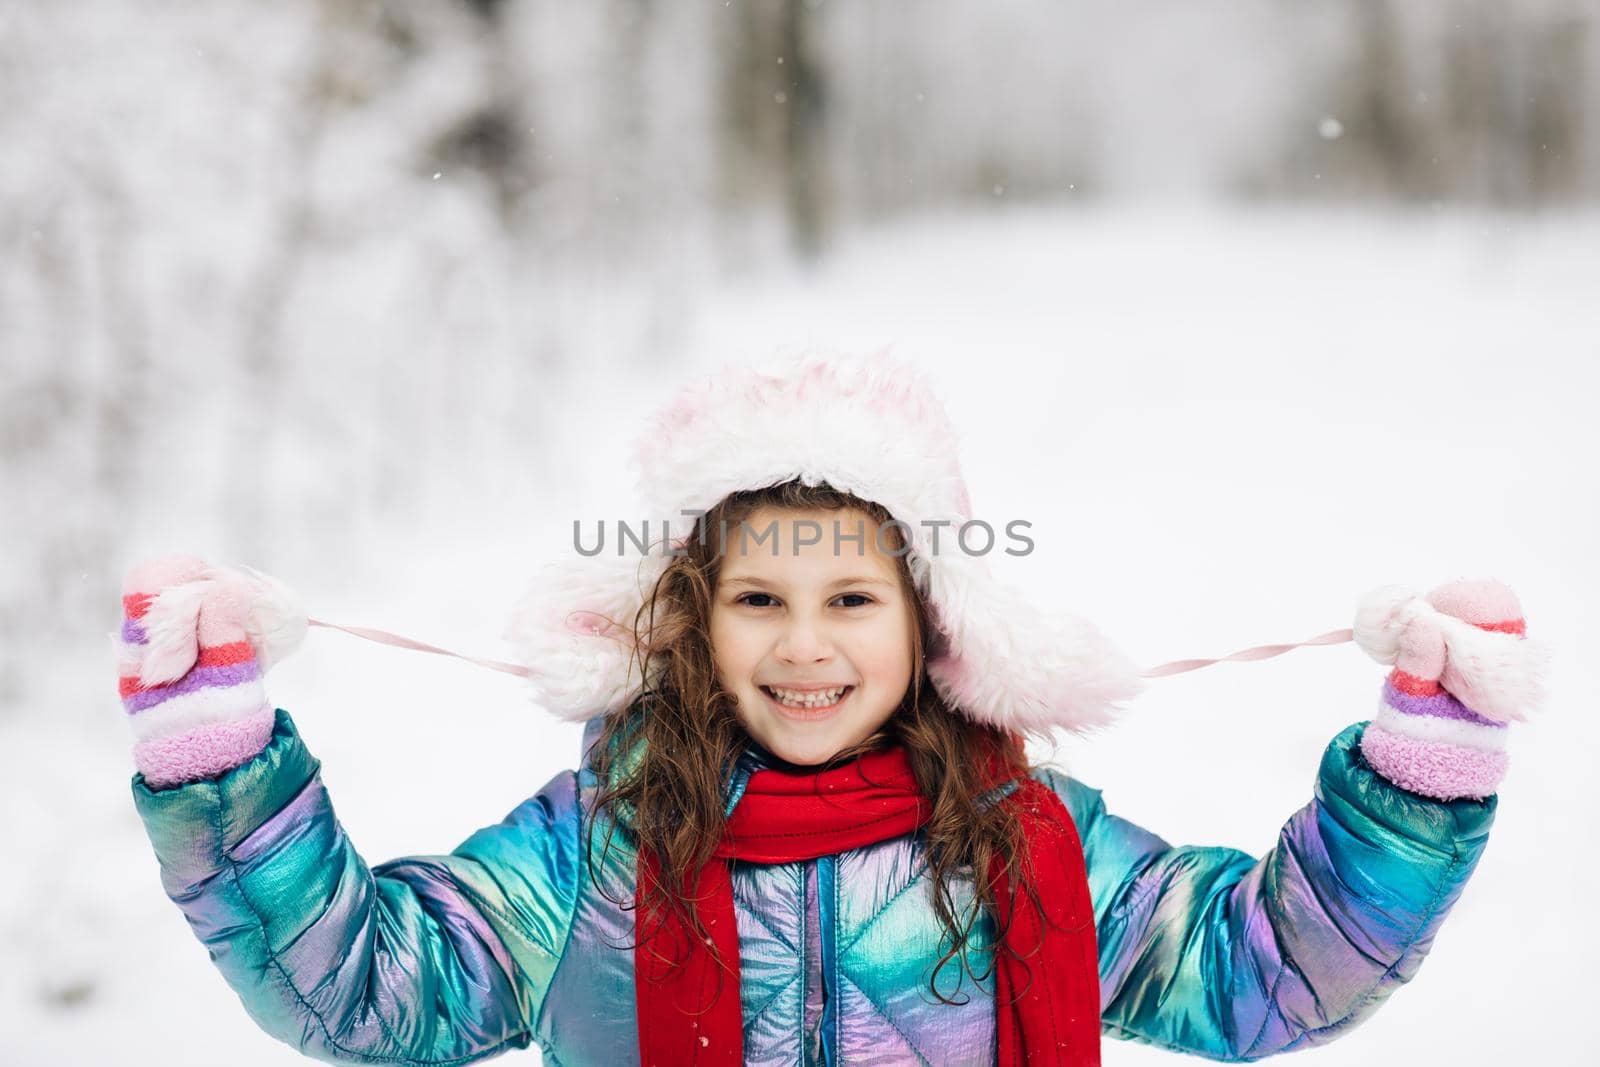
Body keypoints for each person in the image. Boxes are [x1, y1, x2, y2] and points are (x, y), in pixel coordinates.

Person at [115, 350, 1538, 1066]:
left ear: (930, 626)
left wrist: (1416, 783)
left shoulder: (1017, 839)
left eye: (853, 602)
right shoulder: (594, 846)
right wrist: (223, 772)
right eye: (758, 602)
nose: (806, 650)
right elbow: (377, 990)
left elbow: (1262, 968)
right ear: (689, 620)